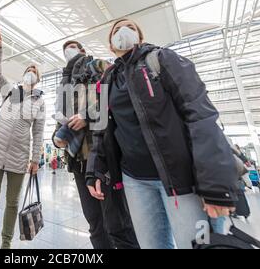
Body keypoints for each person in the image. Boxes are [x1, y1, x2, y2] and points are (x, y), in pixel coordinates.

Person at [86, 19, 239, 249]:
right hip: (135, 181)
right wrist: (94, 169)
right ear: (110, 46)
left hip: (181, 180)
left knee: (198, 244)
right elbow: (101, 130)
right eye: (116, 30)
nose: (122, 31)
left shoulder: (162, 60)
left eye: (130, 27)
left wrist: (215, 186)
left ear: (140, 37)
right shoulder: (108, 80)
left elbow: (200, 115)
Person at [53, 41, 139, 249]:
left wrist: (87, 116)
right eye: (66, 48)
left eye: (73, 46)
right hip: (79, 162)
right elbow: (60, 119)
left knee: (118, 224)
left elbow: (117, 93)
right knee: (95, 224)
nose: (69, 50)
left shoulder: (98, 65)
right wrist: (57, 138)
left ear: (83, 50)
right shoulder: (66, 84)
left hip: (103, 156)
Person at [0, 26, 46, 249]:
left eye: (34, 70)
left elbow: (38, 132)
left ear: (37, 78)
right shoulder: (9, 90)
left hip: (19, 156)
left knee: (12, 203)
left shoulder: (40, 102)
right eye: (28, 68)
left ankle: (5, 245)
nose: (31, 71)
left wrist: (35, 160)